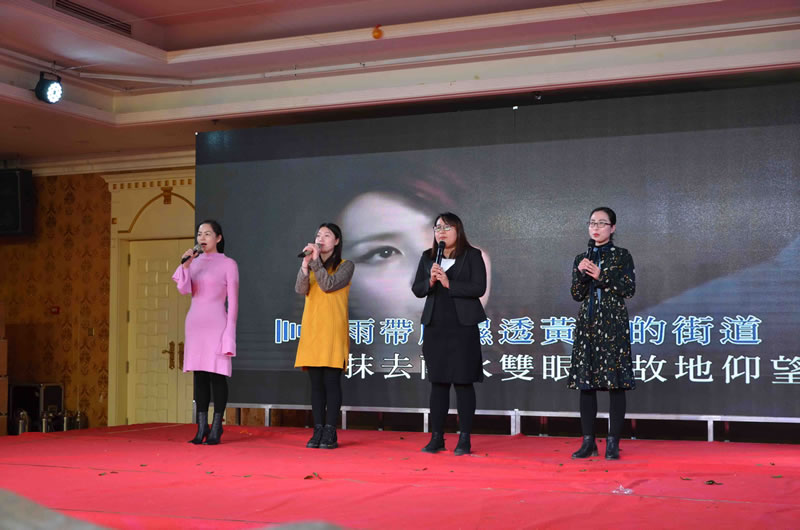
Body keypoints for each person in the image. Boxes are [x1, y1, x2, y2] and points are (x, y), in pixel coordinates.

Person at [412, 212, 486, 456]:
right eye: (437, 228)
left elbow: (479, 287)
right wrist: (431, 282)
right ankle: (437, 437)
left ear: (458, 230)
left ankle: (464, 438)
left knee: (463, 382)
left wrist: (449, 283)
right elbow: (417, 288)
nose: (441, 232)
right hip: (436, 326)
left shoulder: (472, 255)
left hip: (463, 328)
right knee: (438, 383)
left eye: (446, 227)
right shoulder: (428, 257)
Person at [567, 207, 635, 460]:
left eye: (602, 223)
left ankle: (613, 442)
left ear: (612, 228)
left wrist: (601, 275)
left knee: (615, 384)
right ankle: (588, 442)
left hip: (613, 325)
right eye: (592, 223)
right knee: (586, 384)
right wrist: (582, 276)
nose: (596, 227)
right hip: (588, 324)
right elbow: (576, 294)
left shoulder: (622, 256)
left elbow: (629, 289)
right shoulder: (581, 257)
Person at [173, 220, 239, 445]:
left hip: (217, 324)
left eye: (208, 234)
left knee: (217, 376)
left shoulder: (229, 264)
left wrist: (230, 332)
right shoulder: (194, 262)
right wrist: (185, 266)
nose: (202, 238)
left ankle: (216, 426)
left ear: (218, 238)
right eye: (200, 234)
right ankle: (201, 427)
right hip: (195, 323)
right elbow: (183, 289)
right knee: (199, 376)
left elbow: (234, 302)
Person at [294, 223, 355, 449]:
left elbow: (328, 285)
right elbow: (301, 290)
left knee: (331, 381)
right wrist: (304, 266)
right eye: (318, 235)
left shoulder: (346, 265)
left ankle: (330, 430)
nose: (320, 238)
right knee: (316, 384)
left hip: (332, 329)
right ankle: (317, 429)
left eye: (327, 235)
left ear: (336, 241)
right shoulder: (312, 265)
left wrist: (316, 262)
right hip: (312, 328)